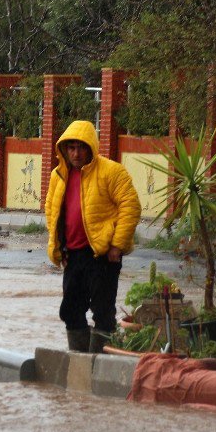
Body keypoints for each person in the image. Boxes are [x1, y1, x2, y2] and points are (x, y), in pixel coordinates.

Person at [44, 120, 141, 353]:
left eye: (81, 147)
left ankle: (100, 362)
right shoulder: (59, 176)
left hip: (103, 256)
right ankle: (79, 361)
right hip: (73, 255)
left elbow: (131, 206)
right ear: (65, 150)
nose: (76, 153)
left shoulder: (112, 171)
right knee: (70, 311)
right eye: (71, 148)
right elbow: (51, 210)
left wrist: (117, 245)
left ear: (91, 147)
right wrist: (59, 248)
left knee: (103, 312)